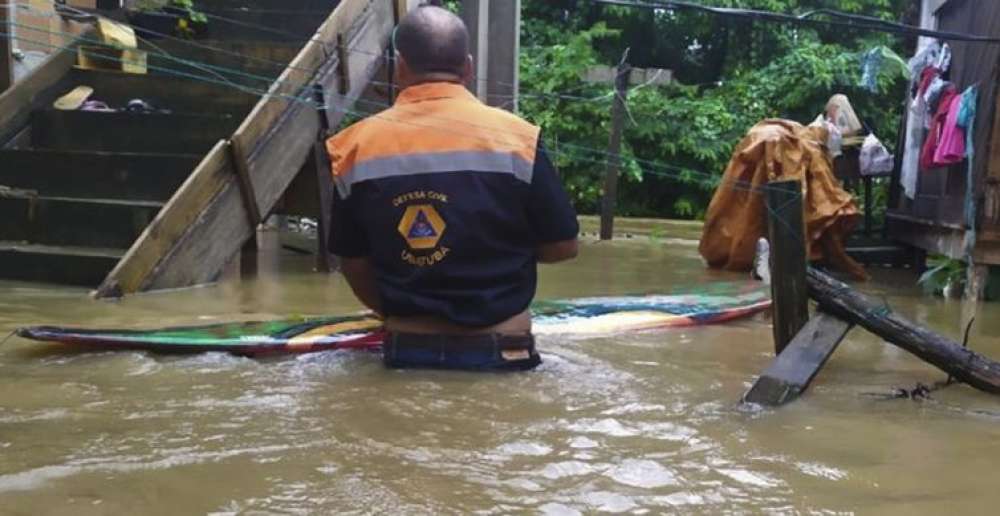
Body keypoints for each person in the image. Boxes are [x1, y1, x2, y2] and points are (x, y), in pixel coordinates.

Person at [325, 4, 579, 372]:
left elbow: (353, 264)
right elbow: (563, 246)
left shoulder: (354, 147)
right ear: (469, 66)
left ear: (400, 67)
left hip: (406, 353)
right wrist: (497, 249)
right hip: (505, 351)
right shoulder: (518, 139)